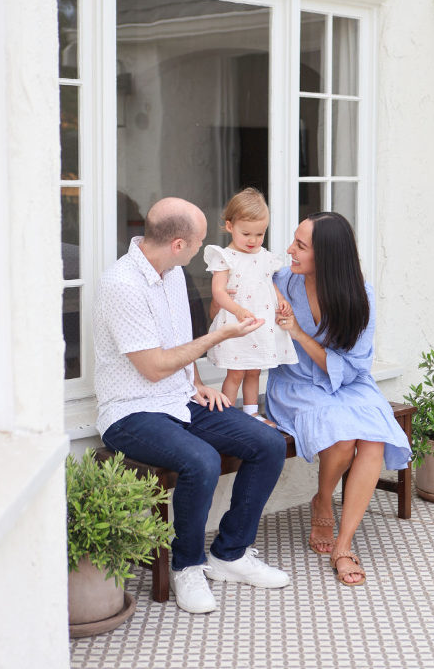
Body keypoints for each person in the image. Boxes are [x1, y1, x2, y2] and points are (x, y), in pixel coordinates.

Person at [93, 197, 290, 614]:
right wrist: (219, 337)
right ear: (179, 243)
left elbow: (177, 344)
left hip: (180, 398)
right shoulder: (122, 284)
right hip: (131, 411)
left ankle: (230, 554)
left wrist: (198, 383)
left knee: (268, 443)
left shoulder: (173, 274)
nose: (204, 248)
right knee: (200, 460)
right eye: (200, 241)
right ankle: (188, 567)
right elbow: (152, 368)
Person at [265, 212, 411, 587]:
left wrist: (298, 332)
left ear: (326, 256)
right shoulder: (280, 282)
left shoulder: (358, 294)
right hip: (296, 384)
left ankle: (343, 546)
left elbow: (356, 363)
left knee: (373, 441)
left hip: (349, 383)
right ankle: (323, 500)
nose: (289, 250)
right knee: (345, 437)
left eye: (300, 245)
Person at [204, 188, 297, 424]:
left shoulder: (264, 255)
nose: (253, 240)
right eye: (246, 233)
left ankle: (251, 412)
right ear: (229, 226)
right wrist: (237, 310)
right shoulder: (225, 257)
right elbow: (218, 291)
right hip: (237, 324)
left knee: (255, 369)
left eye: (260, 234)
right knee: (236, 371)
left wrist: (281, 300)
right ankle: (225, 416)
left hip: (258, 324)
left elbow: (267, 282)